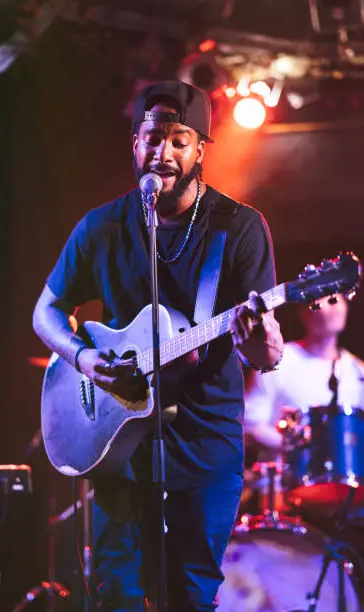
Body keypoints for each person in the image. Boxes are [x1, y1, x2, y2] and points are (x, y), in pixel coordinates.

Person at [33, 80, 283, 611]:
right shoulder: (101, 226)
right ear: (134, 142)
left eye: (178, 140)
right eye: (151, 138)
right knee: (117, 592)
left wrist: (261, 339)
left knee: (192, 594)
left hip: (205, 441)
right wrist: (81, 357)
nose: (162, 154)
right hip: (120, 442)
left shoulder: (237, 229)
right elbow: (46, 311)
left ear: (200, 150)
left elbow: (267, 356)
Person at [244, 294, 364, 452]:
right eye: (326, 298)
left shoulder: (358, 370)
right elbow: (251, 424)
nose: (334, 306)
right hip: (288, 472)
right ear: (303, 312)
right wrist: (293, 446)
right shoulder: (276, 360)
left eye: (337, 298)